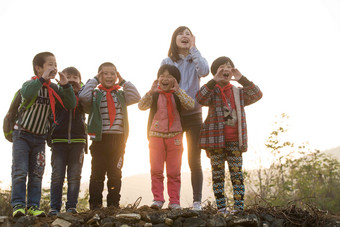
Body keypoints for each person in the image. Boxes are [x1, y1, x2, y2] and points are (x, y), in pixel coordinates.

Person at [11, 52, 76, 217]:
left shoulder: (54, 88)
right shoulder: (29, 84)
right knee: (20, 171)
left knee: (37, 173)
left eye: (55, 64)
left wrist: (66, 86)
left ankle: (33, 206)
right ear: (38, 68)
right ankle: (18, 205)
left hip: (40, 138)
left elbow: (70, 104)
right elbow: (27, 94)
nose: (54, 67)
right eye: (50, 64)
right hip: (22, 135)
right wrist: (41, 80)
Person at [196, 56, 263, 213]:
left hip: (235, 140)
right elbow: (200, 98)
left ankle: (239, 208)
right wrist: (214, 80)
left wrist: (242, 79)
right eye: (222, 67)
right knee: (218, 175)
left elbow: (257, 94)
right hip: (215, 140)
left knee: (237, 174)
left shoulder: (238, 92)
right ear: (216, 72)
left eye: (229, 66)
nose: (226, 69)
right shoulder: (212, 91)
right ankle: (221, 208)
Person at [79, 62, 141, 210]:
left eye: (112, 73)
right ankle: (95, 204)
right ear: (100, 75)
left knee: (115, 173)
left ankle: (113, 204)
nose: (109, 76)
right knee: (97, 173)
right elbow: (83, 96)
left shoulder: (120, 94)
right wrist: (94, 80)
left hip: (118, 139)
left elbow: (136, 97)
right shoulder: (95, 94)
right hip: (100, 139)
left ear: (116, 75)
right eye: (104, 73)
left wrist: (123, 81)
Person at [161, 26, 209, 210]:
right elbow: (163, 85)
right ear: (174, 39)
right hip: (175, 115)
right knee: (174, 160)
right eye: (181, 33)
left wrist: (194, 49)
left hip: (195, 115)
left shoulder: (195, 59)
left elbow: (204, 71)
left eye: (188, 34)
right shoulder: (167, 61)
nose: (184, 36)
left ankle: (197, 201)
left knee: (194, 159)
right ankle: (175, 202)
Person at [138, 64, 194, 210]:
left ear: (176, 80)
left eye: (169, 76)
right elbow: (141, 106)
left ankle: (174, 201)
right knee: (156, 169)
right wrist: (150, 92)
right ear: (158, 78)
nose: (165, 79)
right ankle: (158, 199)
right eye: (162, 75)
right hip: (155, 136)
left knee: (174, 171)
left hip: (175, 136)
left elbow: (191, 105)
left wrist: (178, 91)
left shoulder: (178, 94)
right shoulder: (155, 94)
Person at [48, 67, 87, 216]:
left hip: (78, 140)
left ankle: (71, 206)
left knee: (75, 175)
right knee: (57, 175)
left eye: (75, 77)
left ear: (79, 80)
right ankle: (54, 207)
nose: (71, 79)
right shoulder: (58, 93)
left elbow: (88, 107)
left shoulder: (84, 96)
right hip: (59, 139)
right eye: (68, 76)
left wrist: (79, 91)